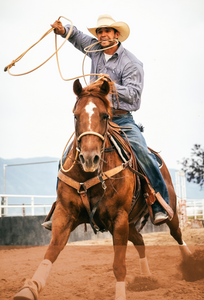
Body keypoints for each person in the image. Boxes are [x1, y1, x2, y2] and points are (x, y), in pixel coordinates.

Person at [45, 14, 169, 227]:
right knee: (66, 157)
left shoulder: (131, 62)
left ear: (116, 35)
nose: (102, 34)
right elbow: (76, 36)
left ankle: (158, 203)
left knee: (143, 153)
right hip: (96, 120)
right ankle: (60, 206)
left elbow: (134, 97)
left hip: (121, 119)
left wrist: (109, 85)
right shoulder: (94, 49)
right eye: (100, 31)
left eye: (107, 31)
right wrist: (62, 30)